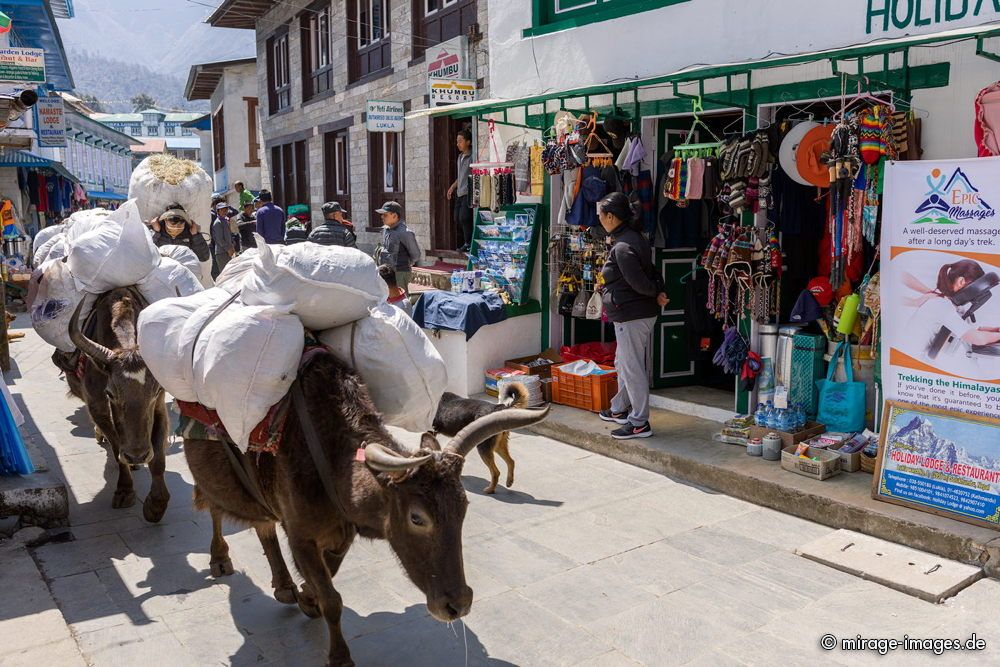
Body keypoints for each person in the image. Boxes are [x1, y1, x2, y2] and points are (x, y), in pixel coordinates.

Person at [595, 192, 669, 440]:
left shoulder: (624, 246)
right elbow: (646, 274)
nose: (599, 220)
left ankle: (639, 422)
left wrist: (656, 292)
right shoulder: (631, 239)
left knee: (632, 367)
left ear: (611, 216)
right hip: (633, 314)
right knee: (624, 364)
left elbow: (639, 282)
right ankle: (618, 409)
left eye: (601, 216)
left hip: (632, 315)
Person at [903, 260, 1000, 348]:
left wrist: (994, 330)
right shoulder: (942, 306)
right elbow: (978, 339)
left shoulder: (952, 306)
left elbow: (973, 329)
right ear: (961, 281)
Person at [376, 201, 421, 290]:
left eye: (385, 215)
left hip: (400, 273)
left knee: (400, 299)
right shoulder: (385, 229)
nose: (382, 217)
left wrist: (406, 263)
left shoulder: (405, 233)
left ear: (395, 216)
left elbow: (416, 255)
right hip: (386, 272)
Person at [447, 128, 473, 251]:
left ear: (468, 142)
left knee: (464, 217)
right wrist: (452, 187)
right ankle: (465, 241)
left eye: (460, 141)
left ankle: (468, 243)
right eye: (457, 141)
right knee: (457, 218)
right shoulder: (460, 157)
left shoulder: (472, 156)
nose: (458, 144)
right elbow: (460, 176)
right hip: (459, 192)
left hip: (468, 192)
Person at [211, 201, 236, 274]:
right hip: (221, 253)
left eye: (226, 209)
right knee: (225, 274)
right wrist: (228, 249)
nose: (225, 211)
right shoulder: (218, 223)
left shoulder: (225, 220)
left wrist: (232, 244)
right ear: (218, 211)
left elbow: (228, 234)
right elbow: (219, 239)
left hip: (228, 251)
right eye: (222, 210)